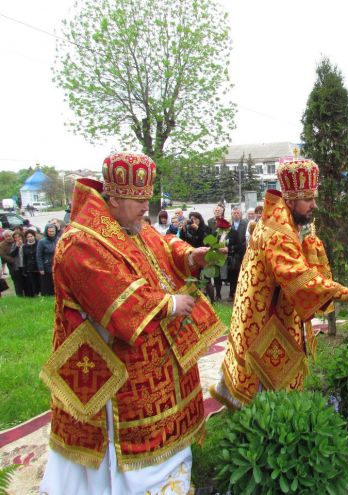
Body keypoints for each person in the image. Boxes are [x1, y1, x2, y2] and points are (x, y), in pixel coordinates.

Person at [39, 151, 224, 495]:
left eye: (147, 198)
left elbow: (163, 246)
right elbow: (115, 298)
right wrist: (170, 303)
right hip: (108, 371)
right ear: (115, 196)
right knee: (108, 454)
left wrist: (190, 255)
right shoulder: (82, 241)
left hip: (151, 364)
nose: (145, 207)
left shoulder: (130, 226)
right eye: (139, 199)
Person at [210, 158, 348, 409]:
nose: (314, 205)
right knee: (266, 398)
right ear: (291, 200)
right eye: (309, 200)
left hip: (269, 314)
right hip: (266, 321)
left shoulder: (285, 220)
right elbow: (297, 276)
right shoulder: (278, 231)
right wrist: (347, 294)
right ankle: (265, 430)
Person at [206, 205, 229, 302]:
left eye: (219, 210)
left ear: (222, 212)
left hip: (221, 248)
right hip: (211, 248)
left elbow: (226, 234)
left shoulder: (226, 222)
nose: (217, 212)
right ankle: (211, 293)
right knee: (211, 271)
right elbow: (207, 233)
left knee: (218, 273)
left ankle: (218, 293)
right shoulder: (209, 221)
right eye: (215, 210)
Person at [225, 206, 248, 300]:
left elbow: (245, 238)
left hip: (242, 252)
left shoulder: (245, 224)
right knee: (232, 274)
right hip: (231, 253)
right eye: (234, 213)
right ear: (232, 214)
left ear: (241, 214)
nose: (236, 214)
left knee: (241, 274)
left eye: (238, 213)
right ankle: (231, 293)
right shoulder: (228, 225)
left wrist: (240, 248)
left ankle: (241, 294)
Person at [12, 229, 40, 296]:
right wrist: (17, 247)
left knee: (31, 282)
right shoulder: (14, 245)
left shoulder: (26, 245)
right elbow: (12, 254)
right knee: (22, 283)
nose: (17, 239)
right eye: (15, 237)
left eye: (19, 237)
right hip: (19, 266)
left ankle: (32, 294)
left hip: (31, 266)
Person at [37, 223, 58, 296]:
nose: (52, 233)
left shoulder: (58, 239)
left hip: (57, 265)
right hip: (47, 265)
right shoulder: (42, 242)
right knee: (48, 283)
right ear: (46, 231)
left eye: (53, 231)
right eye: (50, 231)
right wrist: (41, 268)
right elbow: (39, 256)